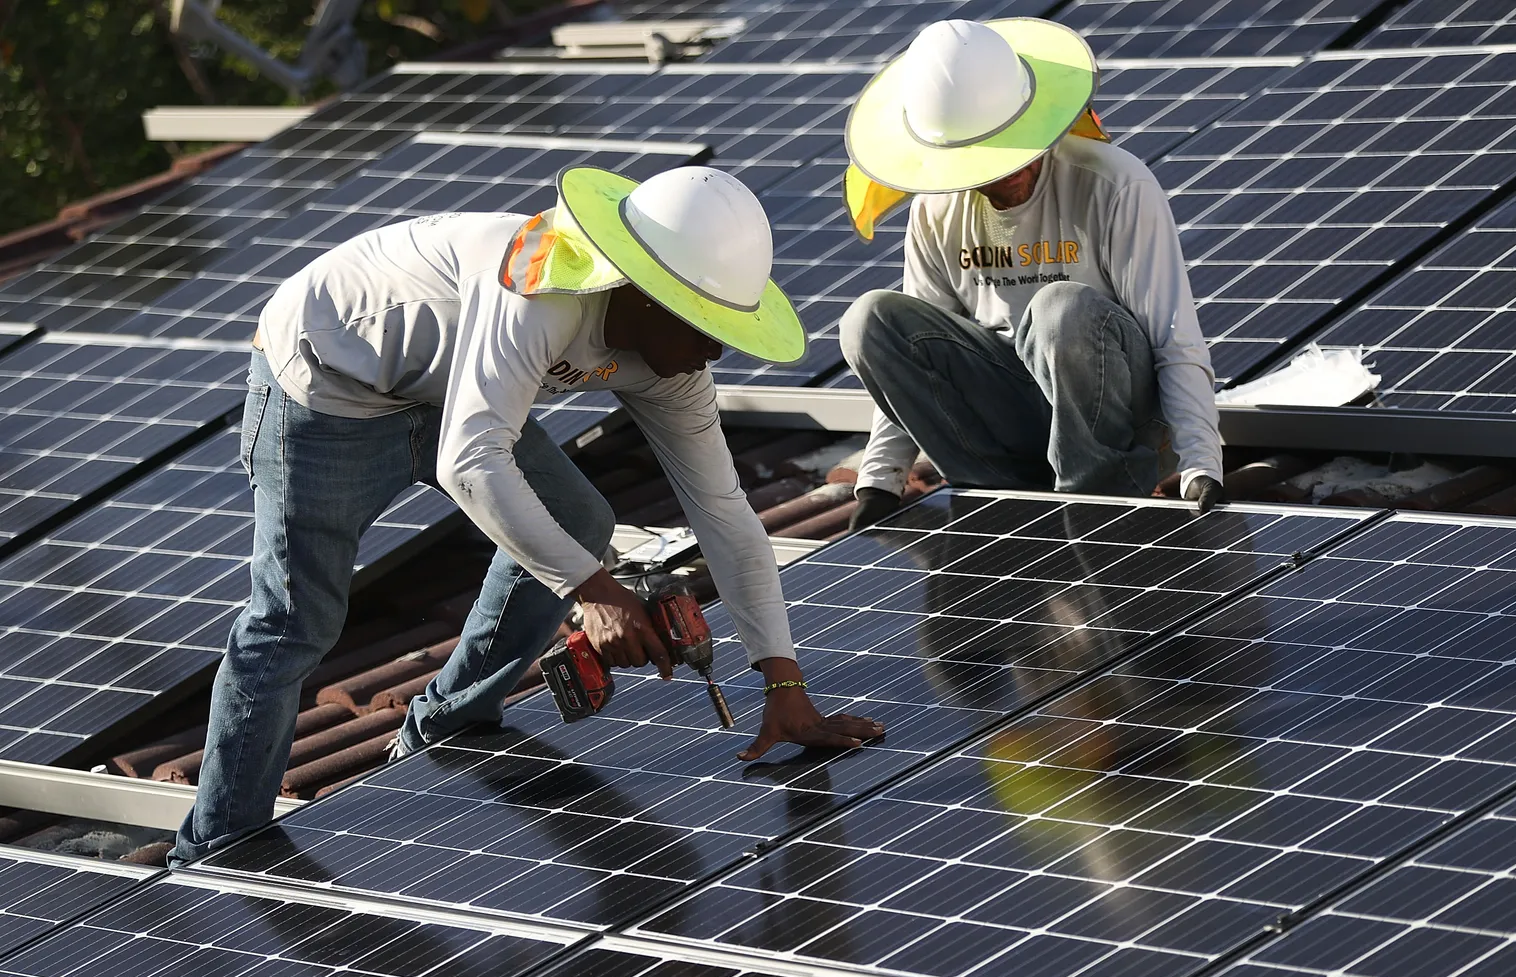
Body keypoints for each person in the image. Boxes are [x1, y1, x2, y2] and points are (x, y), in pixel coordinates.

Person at [169, 166, 884, 867]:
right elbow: (471, 462)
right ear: (640, 292)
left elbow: (725, 512)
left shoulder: (677, 364)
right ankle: (215, 849)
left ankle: (446, 723)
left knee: (578, 519)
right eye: (704, 324)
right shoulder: (540, 289)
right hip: (327, 381)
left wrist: (784, 683)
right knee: (296, 621)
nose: (716, 349)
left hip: (448, 386)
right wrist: (594, 593)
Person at [836, 18, 1225, 532]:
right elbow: (917, 353)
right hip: (1016, 408)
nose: (1006, 172)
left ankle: (1092, 504)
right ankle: (999, 500)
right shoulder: (935, 210)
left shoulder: (1114, 184)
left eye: (1015, 150)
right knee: (869, 319)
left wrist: (1201, 462)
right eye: (985, 163)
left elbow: (1174, 337)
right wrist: (880, 480)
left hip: (1120, 415)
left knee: (1060, 309)